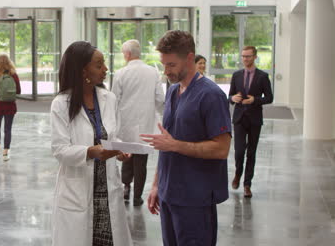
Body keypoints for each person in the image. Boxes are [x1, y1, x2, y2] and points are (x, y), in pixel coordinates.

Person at [141, 30, 232, 246]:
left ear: (190, 58)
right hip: (169, 194)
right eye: (164, 65)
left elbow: (221, 149)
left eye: (171, 65)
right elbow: (166, 142)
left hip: (195, 199)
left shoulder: (211, 95)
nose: (166, 71)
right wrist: (156, 185)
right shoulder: (173, 92)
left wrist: (175, 145)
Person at [50, 41, 133, 246]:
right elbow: (59, 150)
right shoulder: (61, 104)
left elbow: (113, 136)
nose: (105, 69)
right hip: (78, 192)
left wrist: (120, 149)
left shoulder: (109, 98)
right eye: (99, 65)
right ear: (82, 70)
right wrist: (89, 151)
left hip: (107, 192)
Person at [111, 39, 164, 207]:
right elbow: (160, 99)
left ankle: (126, 188)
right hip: (146, 123)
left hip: (125, 122)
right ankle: (138, 196)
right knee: (141, 161)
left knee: (126, 156)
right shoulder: (153, 72)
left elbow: (114, 100)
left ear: (127, 54)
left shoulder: (120, 73)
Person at [229, 46, 273, 198]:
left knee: (251, 153)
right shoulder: (236, 75)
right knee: (239, 151)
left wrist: (255, 100)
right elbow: (230, 96)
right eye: (243, 56)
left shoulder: (262, 76)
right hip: (239, 118)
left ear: (255, 57)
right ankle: (237, 174)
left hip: (254, 119)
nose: (245, 59)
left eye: (248, 56)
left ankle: (247, 184)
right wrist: (232, 99)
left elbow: (269, 98)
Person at [0, 54, 21, 161]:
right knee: (8, 129)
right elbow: (18, 91)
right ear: (9, 62)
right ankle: (5, 152)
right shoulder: (14, 75)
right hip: (10, 106)